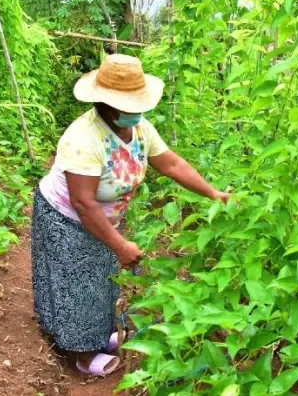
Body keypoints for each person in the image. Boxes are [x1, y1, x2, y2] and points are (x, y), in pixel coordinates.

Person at [31, 54, 230, 377]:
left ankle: (100, 334)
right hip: (67, 218)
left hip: (102, 218)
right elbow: (83, 203)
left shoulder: (139, 128)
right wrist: (121, 244)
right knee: (78, 285)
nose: (137, 110)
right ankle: (81, 353)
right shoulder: (83, 138)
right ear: (107, 105)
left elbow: (172, 164)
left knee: (103, 280)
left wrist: (212, 193)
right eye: (129, 104)